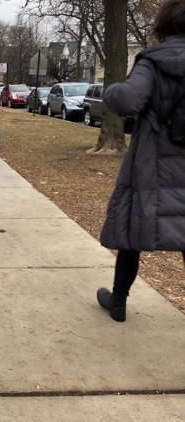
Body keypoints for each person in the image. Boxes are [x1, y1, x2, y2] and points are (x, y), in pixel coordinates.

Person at [97, 0, 185, 322]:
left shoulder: (153, 60)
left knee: (132, 231)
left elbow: (126, 100)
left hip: (154, 165)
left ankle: (118, 301)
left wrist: (111, 90)